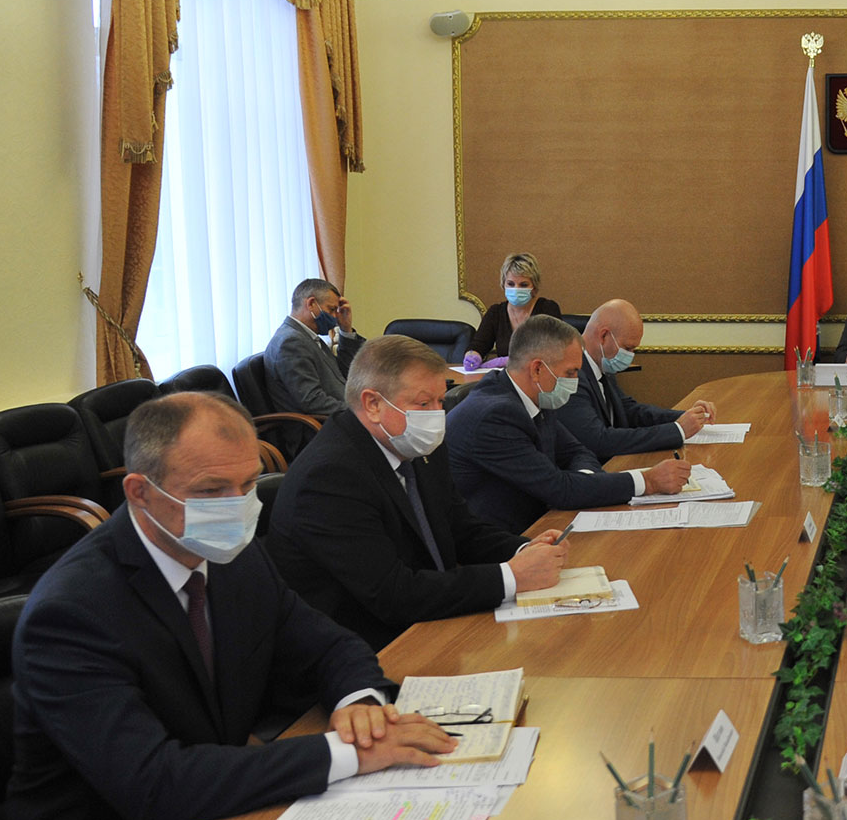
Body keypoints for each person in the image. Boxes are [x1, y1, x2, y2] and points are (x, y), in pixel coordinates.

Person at [4, 392, 456, 820]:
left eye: (247, 485)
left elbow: (328, 645)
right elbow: (155, 784)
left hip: (225, 814)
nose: (237, 508)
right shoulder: (72, 613)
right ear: (140, 492)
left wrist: (360, 703)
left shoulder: (234, 557)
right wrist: (352, 755)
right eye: (211, 490)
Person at [268, 335, 572, 650]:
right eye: (424, 404)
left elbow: (462, 529)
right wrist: (511, 577)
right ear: (373, 404)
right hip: (369, 648)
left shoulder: (415, 445)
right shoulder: (329, 477)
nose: (437, 415)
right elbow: (392, 594)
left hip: (432, 621)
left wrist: (524, 551)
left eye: (441, 401)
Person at [446, 315, 691, 532]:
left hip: (540, 522)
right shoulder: (496, 415)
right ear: (537, 369)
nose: (574, 381)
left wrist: (585, 482)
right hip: (502, 542)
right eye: (571, 373)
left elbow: (577, 451)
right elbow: (559, 490)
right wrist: (648, 481)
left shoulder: (537, 395)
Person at [560, 298, 717, 463]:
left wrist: (687, 416)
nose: (630, 355)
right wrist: (677, 430)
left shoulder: (602, 364)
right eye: (627, 348)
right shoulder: (571, 375)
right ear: (604, 336)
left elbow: (630, 411)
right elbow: (599, 440)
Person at [264, 277, 365, 417]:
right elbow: (312, 401)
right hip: (320, 424)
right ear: (311, 304)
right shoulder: (291, 342)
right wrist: (359, 413)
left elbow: (345, 373)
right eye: (331, 309)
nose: (335, 317)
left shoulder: (306, 336)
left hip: (339, 413)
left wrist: (346, 330)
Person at [464, 251, 563, 370]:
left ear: (534, 287)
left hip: (540, 375)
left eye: (523, 285)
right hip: (505, 377)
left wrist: (507, 361)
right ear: (503, 284)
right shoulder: (496, 312)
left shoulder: (547, 309)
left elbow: (555, 350)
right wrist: (472, 355)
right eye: (510, 284)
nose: (516, 289)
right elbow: (478, 345)